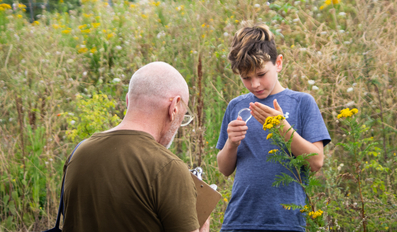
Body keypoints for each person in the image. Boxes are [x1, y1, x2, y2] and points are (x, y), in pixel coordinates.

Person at [62, 62, 209, 232]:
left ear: (127, 100)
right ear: (174, 107)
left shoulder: (78, 153)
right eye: (183, 117)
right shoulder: (168, 168)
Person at [216, 24, 331, 231]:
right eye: (246, 78)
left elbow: (316, 161)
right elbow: (224, 169)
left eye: (261, 74)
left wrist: (282, 128)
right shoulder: (236, 106)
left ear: (278, 63)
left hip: (286, 222)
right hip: (238, 221)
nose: (255, 84)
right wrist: (231, 144)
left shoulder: (302, 103)